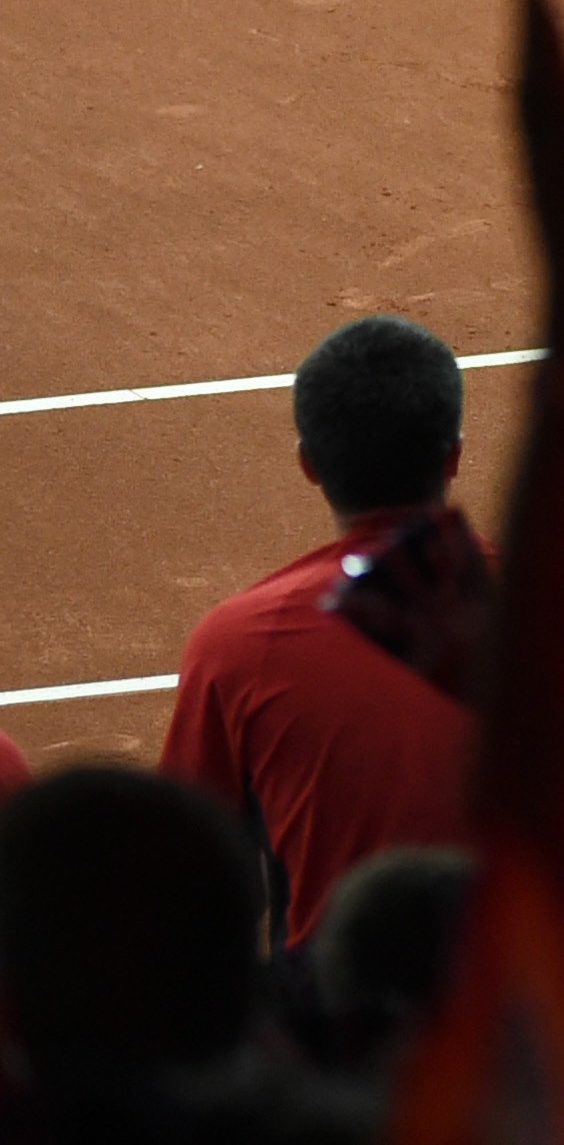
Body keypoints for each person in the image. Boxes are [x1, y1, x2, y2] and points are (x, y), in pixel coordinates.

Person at [157, 315, 479, 946]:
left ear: (308, 463)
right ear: (454, 456)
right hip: (547, 1022)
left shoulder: (238, 646)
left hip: (340, 1028)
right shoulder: (562, 618)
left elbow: (189, 891)